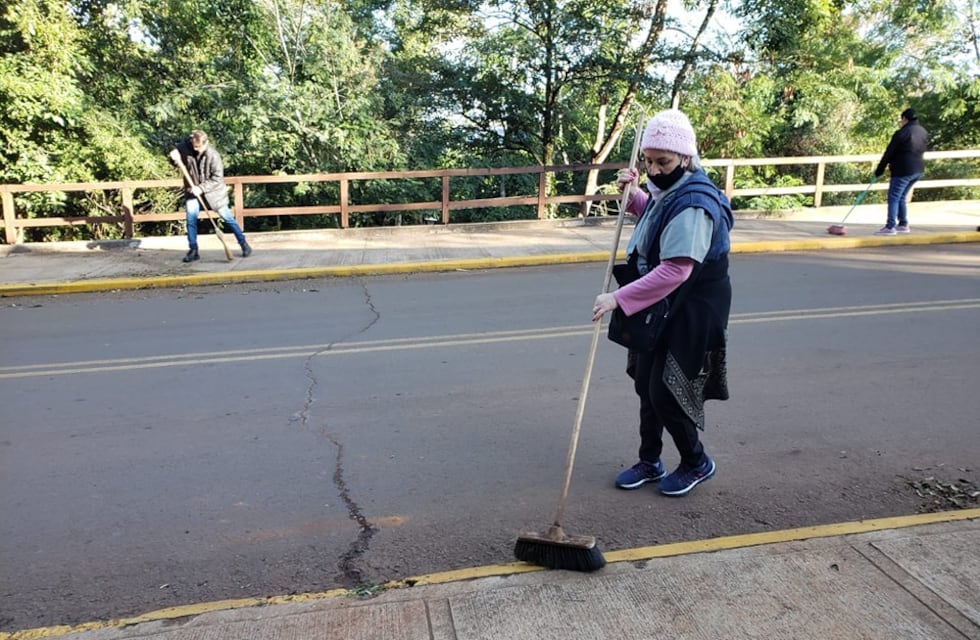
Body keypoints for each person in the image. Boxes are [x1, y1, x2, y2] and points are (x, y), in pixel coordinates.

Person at [593, 109, 733, 497]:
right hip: (663, 300)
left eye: (663, 162)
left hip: (692, 305)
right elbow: (655, 218)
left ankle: (696, 462)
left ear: (686, 158)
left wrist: (617, 299)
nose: (654, 170)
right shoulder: (669, 191)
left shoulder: (694, 204)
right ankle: (650, 460)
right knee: (645, 382)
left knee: (666, 391)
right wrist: (635, 196)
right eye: (649, 161)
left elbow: (676, 269)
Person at [169, 130, 252, 262]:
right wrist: (173, 157)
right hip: (192, 191)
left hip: (214, 194)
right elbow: (176, 160)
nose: (197, 150)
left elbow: (217, 178)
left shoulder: (214, 156)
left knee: (227, 218)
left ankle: (243, 244)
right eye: (195, 147)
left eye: (199, 147)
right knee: (191, 220)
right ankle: (193, 250)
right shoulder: (184, 147)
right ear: (192, 142)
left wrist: (200, 188)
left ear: (206, 143)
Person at [873, 108, 928, 236]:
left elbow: (889, 152)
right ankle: (903, 224)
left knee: (893, 197)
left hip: (903, 170)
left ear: (904, 119)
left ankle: (890, 226)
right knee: (901, 196)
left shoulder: (902, 133)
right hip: (918, 169)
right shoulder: (923, 132)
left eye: (901, 119)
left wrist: (880, 169)